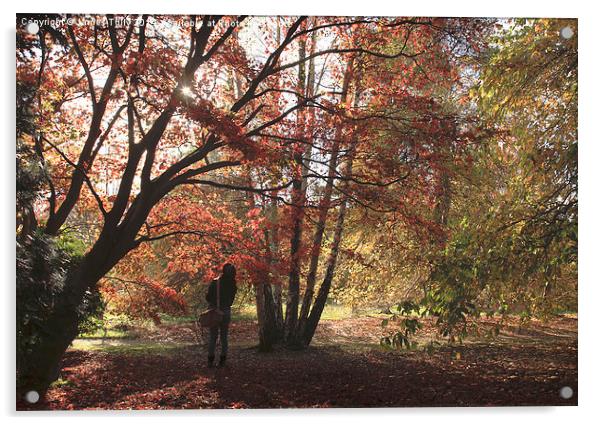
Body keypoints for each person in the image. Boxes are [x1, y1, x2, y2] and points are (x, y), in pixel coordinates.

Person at [205, 263, 237, 367]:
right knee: (224, 337)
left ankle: (210, 360)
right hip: (226, 311)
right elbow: (231, 300)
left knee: (213, 336)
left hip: (214, 311)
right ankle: (222, 360)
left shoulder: (215, 282)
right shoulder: (233, 284)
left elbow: (208, 298)